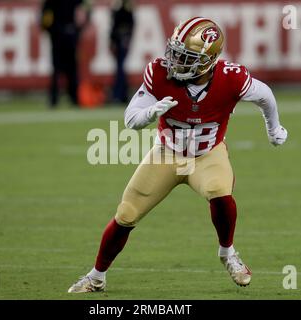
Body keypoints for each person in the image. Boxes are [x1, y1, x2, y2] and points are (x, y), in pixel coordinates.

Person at [68, 17, 288, 293]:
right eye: (175, 52)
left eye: (186, 57)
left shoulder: (231, 77)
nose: (175, 61)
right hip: (167, 154)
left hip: (208, 154)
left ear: (208, 60)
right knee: (126, 213)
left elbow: (265, 95)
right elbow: (130, 119)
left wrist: (273, 128)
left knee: (219, 190)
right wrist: (151, 111)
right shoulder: (159, 73)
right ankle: (96, 276)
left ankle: (227, 253)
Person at [40, 0, 90, 108]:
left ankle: (61, 99)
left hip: (62, 36)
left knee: (65, 70)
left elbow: (45, 17)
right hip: (63, 36)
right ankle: (68, 98)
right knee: (65, 70)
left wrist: (51, 30)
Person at [109, 0, 135, 103]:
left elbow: (126, 25)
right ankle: (122, 95)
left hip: (121, 41)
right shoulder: (122, 7)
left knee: (120, 69)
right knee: (120, 69)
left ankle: (119, 95)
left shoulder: (122, 8)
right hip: (120, 40)